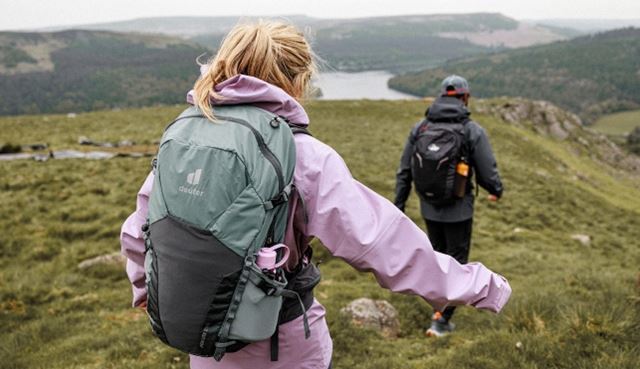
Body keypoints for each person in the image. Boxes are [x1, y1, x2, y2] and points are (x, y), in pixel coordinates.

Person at [121, 23, 511, 369]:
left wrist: (146, 290)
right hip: (283, 343)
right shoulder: (302, 154)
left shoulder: (187, 139)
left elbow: (140, 230)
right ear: (296, 80)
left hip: (204, 339)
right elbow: (380, 243)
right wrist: (480, 286)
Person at [394, 75, 504, 337]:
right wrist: (496, 191)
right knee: (457, 262)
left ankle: (438, 306)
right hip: (460, 209)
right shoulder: (471, 130)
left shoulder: (420, 128)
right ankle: (441, 320)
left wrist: (398, 206)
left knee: (438, 257)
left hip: (429, 206)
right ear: (465, 97)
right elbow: (488, 170)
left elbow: (405, 171)